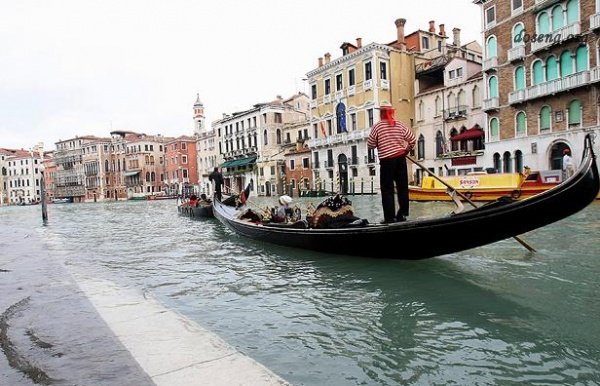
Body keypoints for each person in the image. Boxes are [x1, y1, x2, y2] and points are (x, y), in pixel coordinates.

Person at [367, 101, 416, 224]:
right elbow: (412, 139)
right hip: (400, 159)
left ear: (381, 113)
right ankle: (402, 214)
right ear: (391, 112)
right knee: (402, 187)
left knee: (387, 190)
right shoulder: (399, 124)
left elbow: (370, 144)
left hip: (387, 161)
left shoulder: (377, 127)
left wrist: (379, 142)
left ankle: (390, 218)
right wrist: (406, 150)